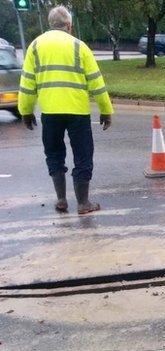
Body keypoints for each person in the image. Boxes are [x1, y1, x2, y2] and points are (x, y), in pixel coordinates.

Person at [18, 5, 114, 214]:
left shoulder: (35, 47)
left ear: (49, 24)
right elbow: (96, 83)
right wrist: (106, 110)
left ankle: (61, 200)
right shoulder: (79, 47)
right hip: (78, 113)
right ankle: (83, 203)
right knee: (83, 155)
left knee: (53, 154)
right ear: (69, 25)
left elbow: (27, 84)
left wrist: (25, 111)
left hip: (50, 113)